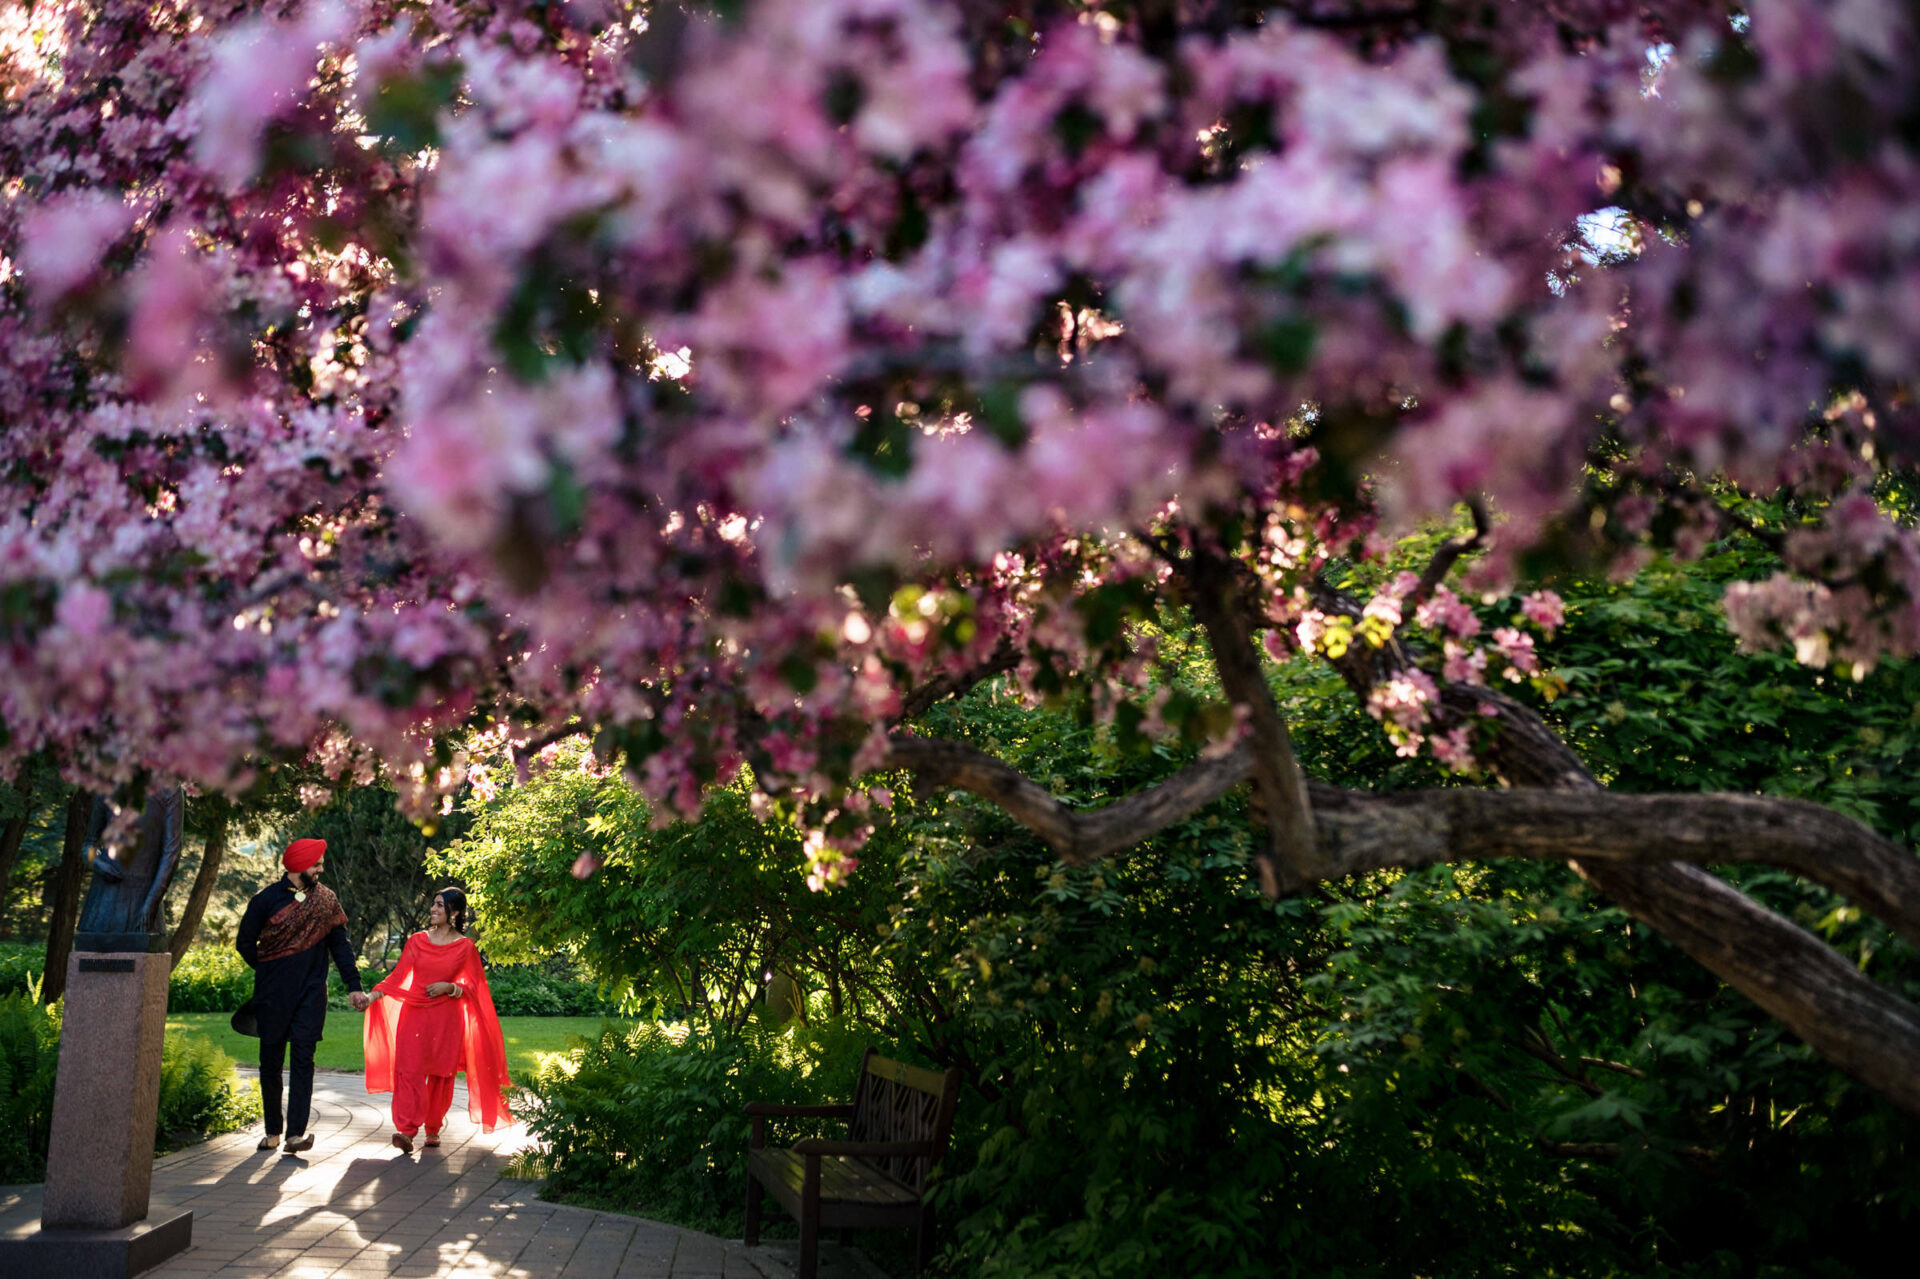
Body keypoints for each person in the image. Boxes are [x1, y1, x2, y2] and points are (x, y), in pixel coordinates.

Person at [235, 837, 371, 1155]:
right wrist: (268, 968)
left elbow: (341, 946)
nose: (321, 869)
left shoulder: (326, 901)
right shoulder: (265, 900)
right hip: (272, 994)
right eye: (317, 864)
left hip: (311, 993)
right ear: (298, 867)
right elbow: (244, 942)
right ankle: (272, 1131)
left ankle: (295, 1134)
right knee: (270, 1060)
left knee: (303, 1060)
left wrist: (354, 985)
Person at [363, 887, 512, 1153]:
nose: (433, 909)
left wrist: (449, 987)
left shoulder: (465, 947)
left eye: (440, 906)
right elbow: (398, 977)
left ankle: (432, 1128)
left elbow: (475, 988)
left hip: (445, 1018)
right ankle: (407, 1131)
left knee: (440, 1076)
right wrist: (372, 996)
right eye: (433, 904)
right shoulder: (417, 941)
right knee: (408, 1071)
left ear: (454, 912)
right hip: (414, 1014)